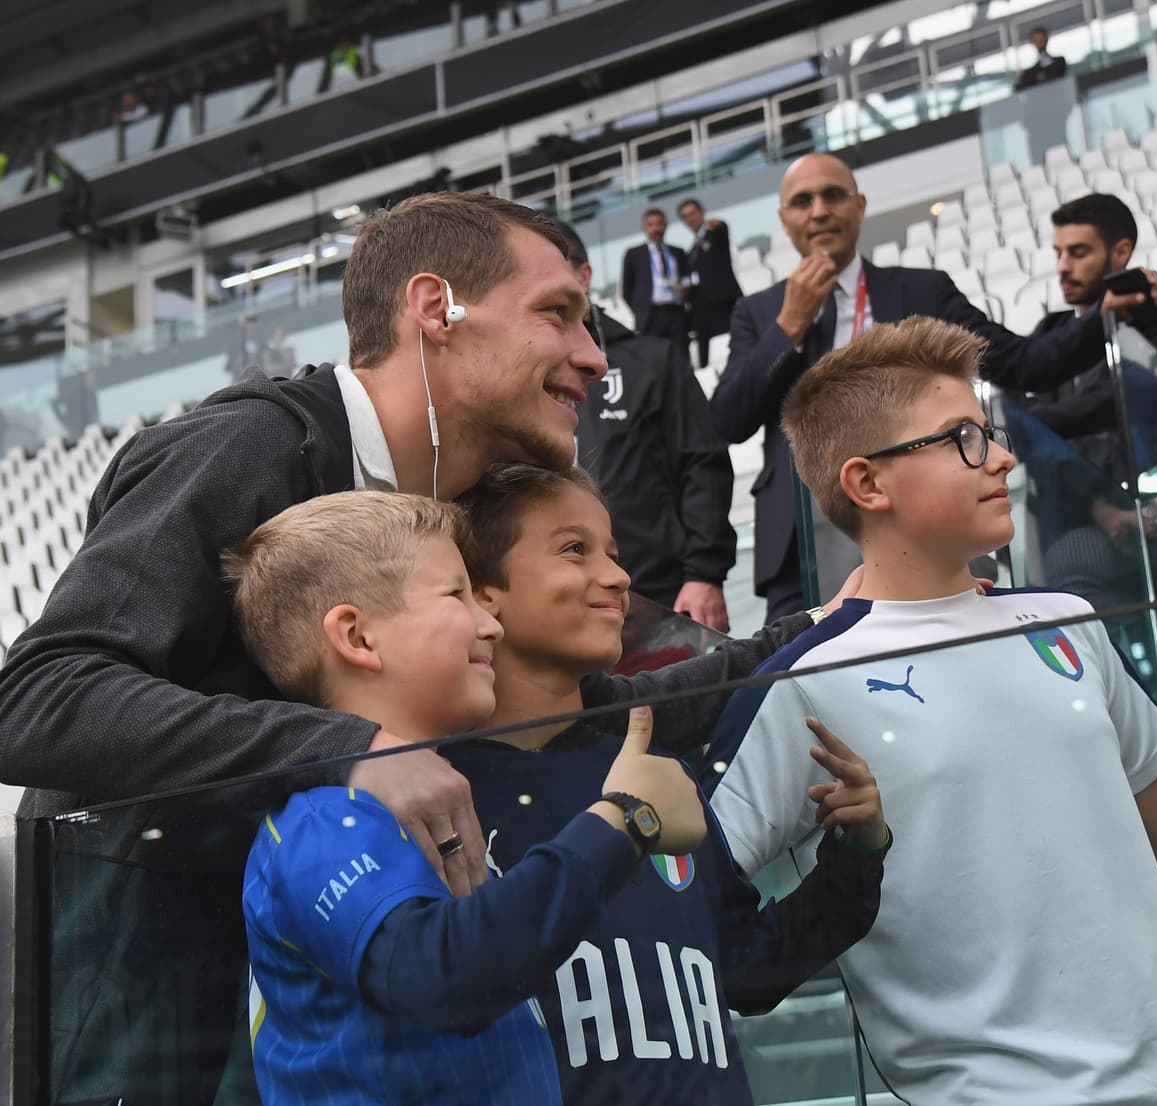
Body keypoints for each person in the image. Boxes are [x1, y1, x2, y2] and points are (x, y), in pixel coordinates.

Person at [0, 186, 855, 1104]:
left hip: (313, 975)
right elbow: (35, 695)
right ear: (433, 308)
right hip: (147, 983)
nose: (594, 355)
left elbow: (580, 697)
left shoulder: (454, 506)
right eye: (558, 315)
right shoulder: (246, 444)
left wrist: (819, 626)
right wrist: (351, 751)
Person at [703, 316, 1157, 1104]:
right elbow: (701, 913)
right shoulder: (802, 683)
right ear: (868, 484)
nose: (1003, 457)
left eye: (992, 432)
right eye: (964, 439)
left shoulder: (1067, 620)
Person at [230, 490, 708, 1106]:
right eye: (455, 594)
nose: (490, 622)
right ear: (357, 636)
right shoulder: (322, 820)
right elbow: (439, 975)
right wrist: (624, 821)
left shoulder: (402, 806)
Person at [453, 461, 889, 1104]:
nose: (619, 575)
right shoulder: (439, 798)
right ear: (482, 592)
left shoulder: (662, 773)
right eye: (575, 549)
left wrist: (855, 855)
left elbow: (749, 971)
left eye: (614, 552)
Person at [709, 152, 1157, 621]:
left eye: (833, 195)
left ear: (860, 206)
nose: (820, 210)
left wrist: (1103, 311)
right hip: (802, 541)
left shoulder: (921, 291)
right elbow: (728, 420)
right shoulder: (758, 312)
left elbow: (1020, 364)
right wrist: (789, 324)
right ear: (785, 221)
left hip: (931, 524)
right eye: (803, 201)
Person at [1008, 192, 1157, 617]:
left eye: (1078, 253)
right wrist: (1099, 506)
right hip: (1075, 527)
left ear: (1121, 252)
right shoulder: (1047, 336)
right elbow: (1027, 433)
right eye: (1058, 253)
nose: (1062, 266)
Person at [558, 219, 735, 631]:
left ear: (584, 275)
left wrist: (704, 573)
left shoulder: (653, 360)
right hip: (557, 605)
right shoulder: (509, 379)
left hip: (665, 592)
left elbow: (701, 464)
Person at [677, 198, 742, 368]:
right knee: (707, 358)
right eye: (686, 217)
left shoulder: (713, 232)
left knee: (739, 347)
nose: (690, 218)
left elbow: (721, 229)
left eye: (693, 213)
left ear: (701, 212)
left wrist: (718, 224)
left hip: (724, 302)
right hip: (702, 310)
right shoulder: (691, 252)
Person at [621, 208, 689, 345]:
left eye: (659, 224)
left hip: (676, 312)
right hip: (650, 315)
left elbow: (685, 278)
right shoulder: (634, 254)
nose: (655, 229)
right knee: (654, 359)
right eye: (650, 225)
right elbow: (627, 290)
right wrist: (640, 309)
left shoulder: (678, 252)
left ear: (665, 225)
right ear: (645, 228)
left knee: (681, 357)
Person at [1013, 26, 1067, 91]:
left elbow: (1057, 75)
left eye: (1041, 40)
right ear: (1033, 43)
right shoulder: (1029, 73)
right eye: (1036, 40)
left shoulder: (1059, 62)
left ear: (1046, 40)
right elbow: (1018, 88)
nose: (1040, 43)